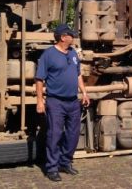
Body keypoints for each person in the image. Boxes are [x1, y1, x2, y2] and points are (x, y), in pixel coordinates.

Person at [35, 23, 89, 182]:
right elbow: (39, 79)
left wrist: (84, 93)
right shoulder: (48, 55)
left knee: (73, 134)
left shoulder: (72, 53)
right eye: (70, 35)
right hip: (55, 101)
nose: (73, 37)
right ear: (62, 37)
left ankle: (65, 162)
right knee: (55, 134)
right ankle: (52, 168)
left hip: (73, 101)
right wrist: (40, 101)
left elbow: (78, 75)